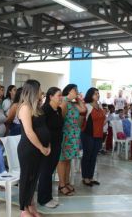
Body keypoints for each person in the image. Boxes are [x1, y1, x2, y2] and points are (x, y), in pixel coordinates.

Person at [17, 79, 50, 217]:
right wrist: (42, 147)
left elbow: (43, 127)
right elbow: (29, 132)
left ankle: (31, 205)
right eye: (40, 89)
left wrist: (48, 144)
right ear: (33, 91)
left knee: (34, 178)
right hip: (29, 149)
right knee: (27, 178)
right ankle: (23, 209)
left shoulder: (36, 106)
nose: (42, 92)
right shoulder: (25, 107)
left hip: (39, 148)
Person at [38, 87, 63, 208]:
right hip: (48, 145)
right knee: (46, 171)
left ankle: (48, 196)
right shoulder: (45, 110)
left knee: (50, 171)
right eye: (59, 95)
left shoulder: (57, 109)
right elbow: (43, 129)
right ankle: (44, 199)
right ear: (51, 97)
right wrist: (47, 144)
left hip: (57, 144)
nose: (61, 98)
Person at [58, 84, 86, 196]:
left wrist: (78, 98)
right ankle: (61, 185)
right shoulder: (64, 100)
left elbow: (83, 109)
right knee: (62, 160)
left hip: (73, 134)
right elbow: (61, 117)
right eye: (76, 90)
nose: (78, 92)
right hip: (66, 134)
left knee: (68, 159)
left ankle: (67, 182)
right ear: (70, 91)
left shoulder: (72, 103)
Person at [81, 87, 105, 186]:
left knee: (94, 156)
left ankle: (90, 177)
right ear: (90, 95)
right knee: (87, 155)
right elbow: (82, 120)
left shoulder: (99, 105)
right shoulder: (87, 106)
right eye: (95, 93)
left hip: (98, 135)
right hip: (88, 134)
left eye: (98, 93)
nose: (97, 95)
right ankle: (85, 177)